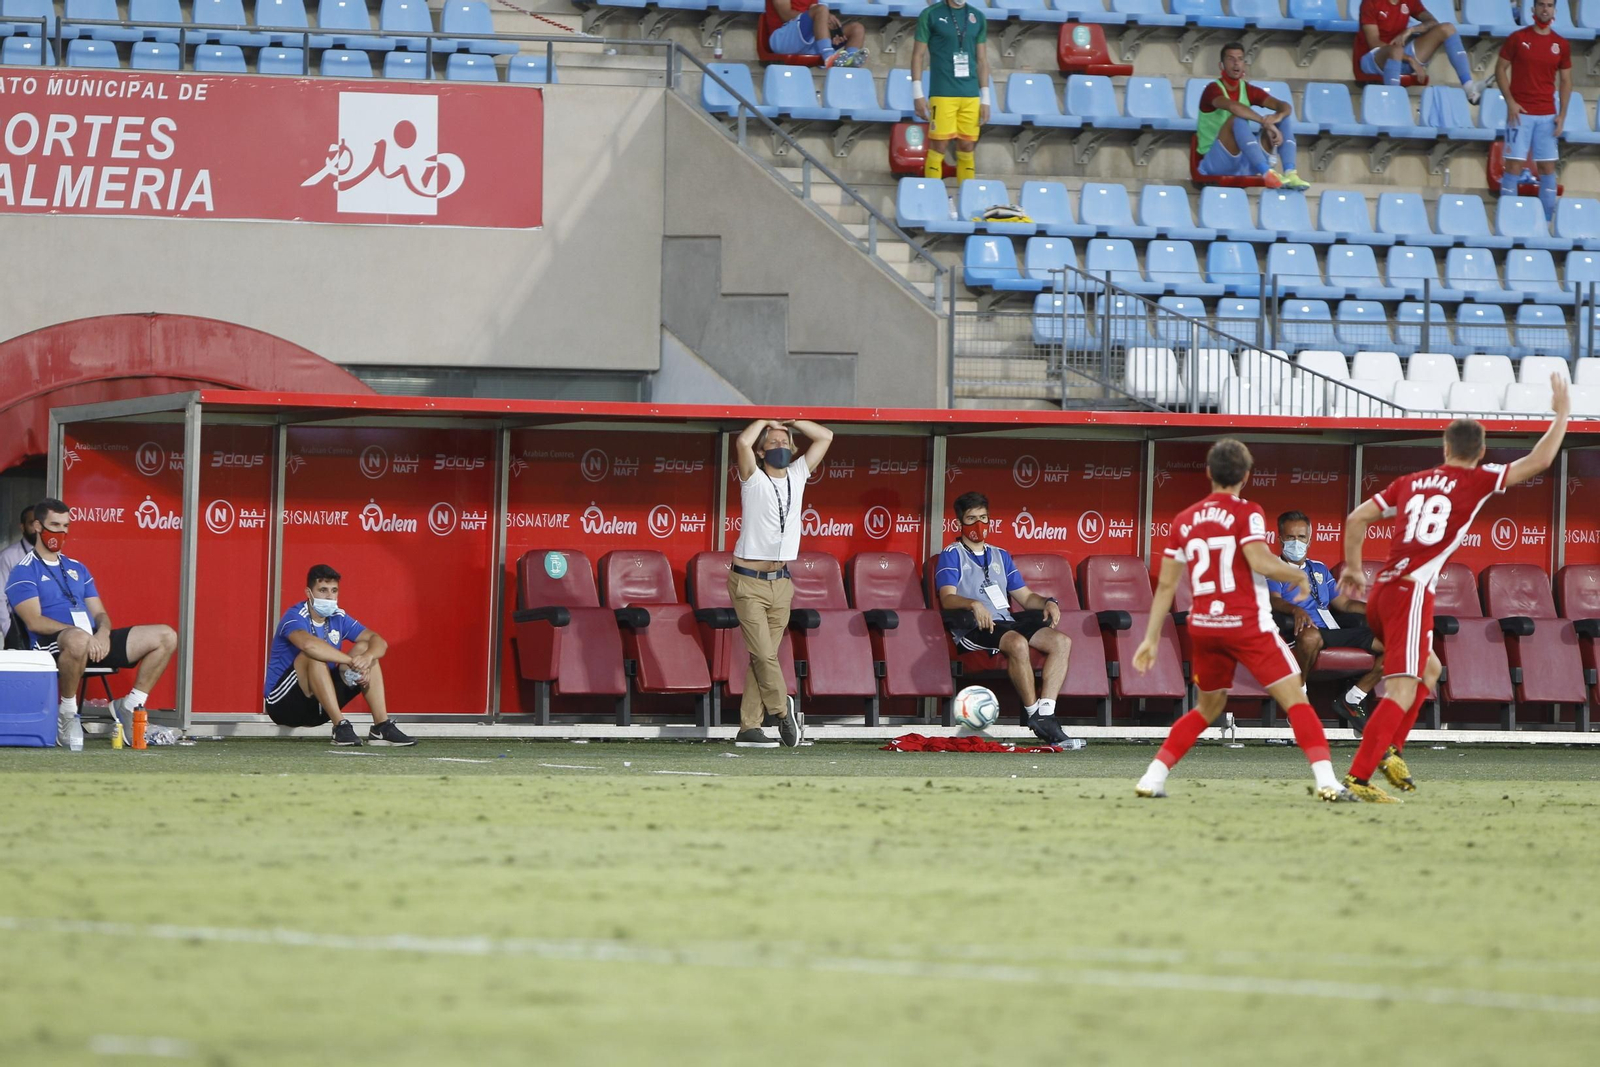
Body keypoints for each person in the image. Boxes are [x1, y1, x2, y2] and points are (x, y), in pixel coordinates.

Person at [1337, 376, 1569, 802]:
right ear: (1480, 453)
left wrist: (1353, 568)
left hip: (1387, 590)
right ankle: (1356, 779)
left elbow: (1355, 519)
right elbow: (1538, 461)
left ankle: (1390, 749)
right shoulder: (1478, 480)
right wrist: (1562, 414)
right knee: (1404, 687)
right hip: (1409, 594)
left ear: (1444, 448)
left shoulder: (1411, 482)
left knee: (1430, 671)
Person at [1132, 441, 1357, 802]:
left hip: (1205, 625)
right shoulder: (1247, 511)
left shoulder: (1184, 519)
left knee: (1208, 708)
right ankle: (1328, 781)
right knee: (1297, 699)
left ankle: (1153, 775)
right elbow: (1258, 559)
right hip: (1246, 623)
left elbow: (1167, 586)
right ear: (1247, 476)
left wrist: (1150, 638)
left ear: (1209, 473)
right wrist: (1296, 575)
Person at [4, 498, 178, 746]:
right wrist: (80, 634)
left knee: (165, 635)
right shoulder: (24, 570)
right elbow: (34, 622)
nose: (60, 532)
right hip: (53, 646)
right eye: (54, 524)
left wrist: (103, 633)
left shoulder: (78, 568)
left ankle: (129, 705)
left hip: (93, 642)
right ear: (38, 526)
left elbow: (100, 614)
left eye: (65, 526)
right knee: (77, 640)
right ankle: (66, 714)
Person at [935, 491, 1073, 745]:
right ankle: (1033, 714)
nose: (978, 524)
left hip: (1006, 621)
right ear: (959, 523)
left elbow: (1026, 597)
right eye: (971, 518)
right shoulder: (951, 554)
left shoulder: (1001, 555)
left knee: (1061, 642)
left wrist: (1048, 602)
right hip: (974, 626)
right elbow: (947, 598)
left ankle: (1046, 714)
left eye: (983, 518)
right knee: (1017, 643)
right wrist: (973, 604)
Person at [728, 418, 833, 748]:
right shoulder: (753, 478)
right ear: (761, 452)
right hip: (748, 581)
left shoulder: (799, 474)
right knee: (763, 653)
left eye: (785, 443)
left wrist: (790, 422)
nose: (780, 448)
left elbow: (826, 436)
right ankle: (782, 712)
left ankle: (748, 727)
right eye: (772, 444)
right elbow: (742, 444)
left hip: (781, 581)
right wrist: (764, 420)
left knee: (764, 656)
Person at [264, 565, 415, 746]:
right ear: (308, 593)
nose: (329, 596)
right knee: (312, 655)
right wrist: (352, 662)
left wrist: (365, 659)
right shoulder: (295, 616)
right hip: (284, 705)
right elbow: (308, 645)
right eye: (323, 590)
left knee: (366, 649)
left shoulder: (338, 617)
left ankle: (381, 727)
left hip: (318, 707)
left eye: (334, 591)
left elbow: (379, 641)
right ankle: (340, 726)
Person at [1266, 510, 1385, 735]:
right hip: (1301, 632)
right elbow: (1274, 601)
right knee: (1311, 635)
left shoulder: (1319, 568)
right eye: (1290, 537)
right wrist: (1296, 609)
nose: (1296, 543)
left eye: (1301, 537)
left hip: (1331, 629)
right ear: (1280, 538)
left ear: (1309, 540)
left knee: (1394, 646)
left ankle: (1353, 699)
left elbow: (1345, 605)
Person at [1194, 43, 1309, 191]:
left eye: (1240, 59)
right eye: (1230, 59)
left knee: (1283, 118)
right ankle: (1266, 171)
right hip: (1215, 161)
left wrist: (1276, 118)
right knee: (1237, 118)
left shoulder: (1248, 89)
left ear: (1244, 64)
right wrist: (1265, 123)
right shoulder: (1212, 89)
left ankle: (1290, 172)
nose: (1236, 63)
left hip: (1244, 160)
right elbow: (1234, 107)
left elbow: (1285, 106)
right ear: (1221, 65)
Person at [1497, 0, 1571, 223]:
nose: (1545, 9)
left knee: (1547, 168)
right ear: (1532, 9)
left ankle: (1546, 223)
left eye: (1549, 5)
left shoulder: (1560, 44)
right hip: (1519, 115)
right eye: (1541, 4)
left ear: (1554, 10)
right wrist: (1510, 101)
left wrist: (1562, 115)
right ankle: (1508, 220)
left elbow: (1567, 81)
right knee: (1513, 166)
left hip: (1547, 115)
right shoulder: (1518, 38)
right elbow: (1500, 68)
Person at [911, 0, 989, 184]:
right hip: (942, 91)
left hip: (970, 94)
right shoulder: (930, 14)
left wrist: (986, 97)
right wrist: (917, 94)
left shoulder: (978, 17)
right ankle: (932, 196)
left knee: (968, 145)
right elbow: (917, 55)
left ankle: (966, 198)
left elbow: (982, 60)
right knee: (939, 145)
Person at [1355, 0, 1485, 101]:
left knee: (1447, 28)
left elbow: (1432, 22)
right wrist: (1410, 59)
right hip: (1372, 60)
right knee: (1396, 50)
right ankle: (1393, 102)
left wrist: (1410, 30)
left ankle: (1469, 87)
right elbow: (1374, 43)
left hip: (1400, 55)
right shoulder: (1370, 2)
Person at [766, 0, 866, 68]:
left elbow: (814, 13)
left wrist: (828, 25)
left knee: (857, 29)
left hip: (807, 40)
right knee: (821, 9)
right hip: (781, 39)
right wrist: (822, 15)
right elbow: (785, 14)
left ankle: (849, 64)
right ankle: (828, 57)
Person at [0, 504, 35, 646]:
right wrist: (8, 629)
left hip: (48, 626)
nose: (38, 528)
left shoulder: (54, 556)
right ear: (22, 527)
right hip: (18, 626)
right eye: (32, 523)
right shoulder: (8, 556)